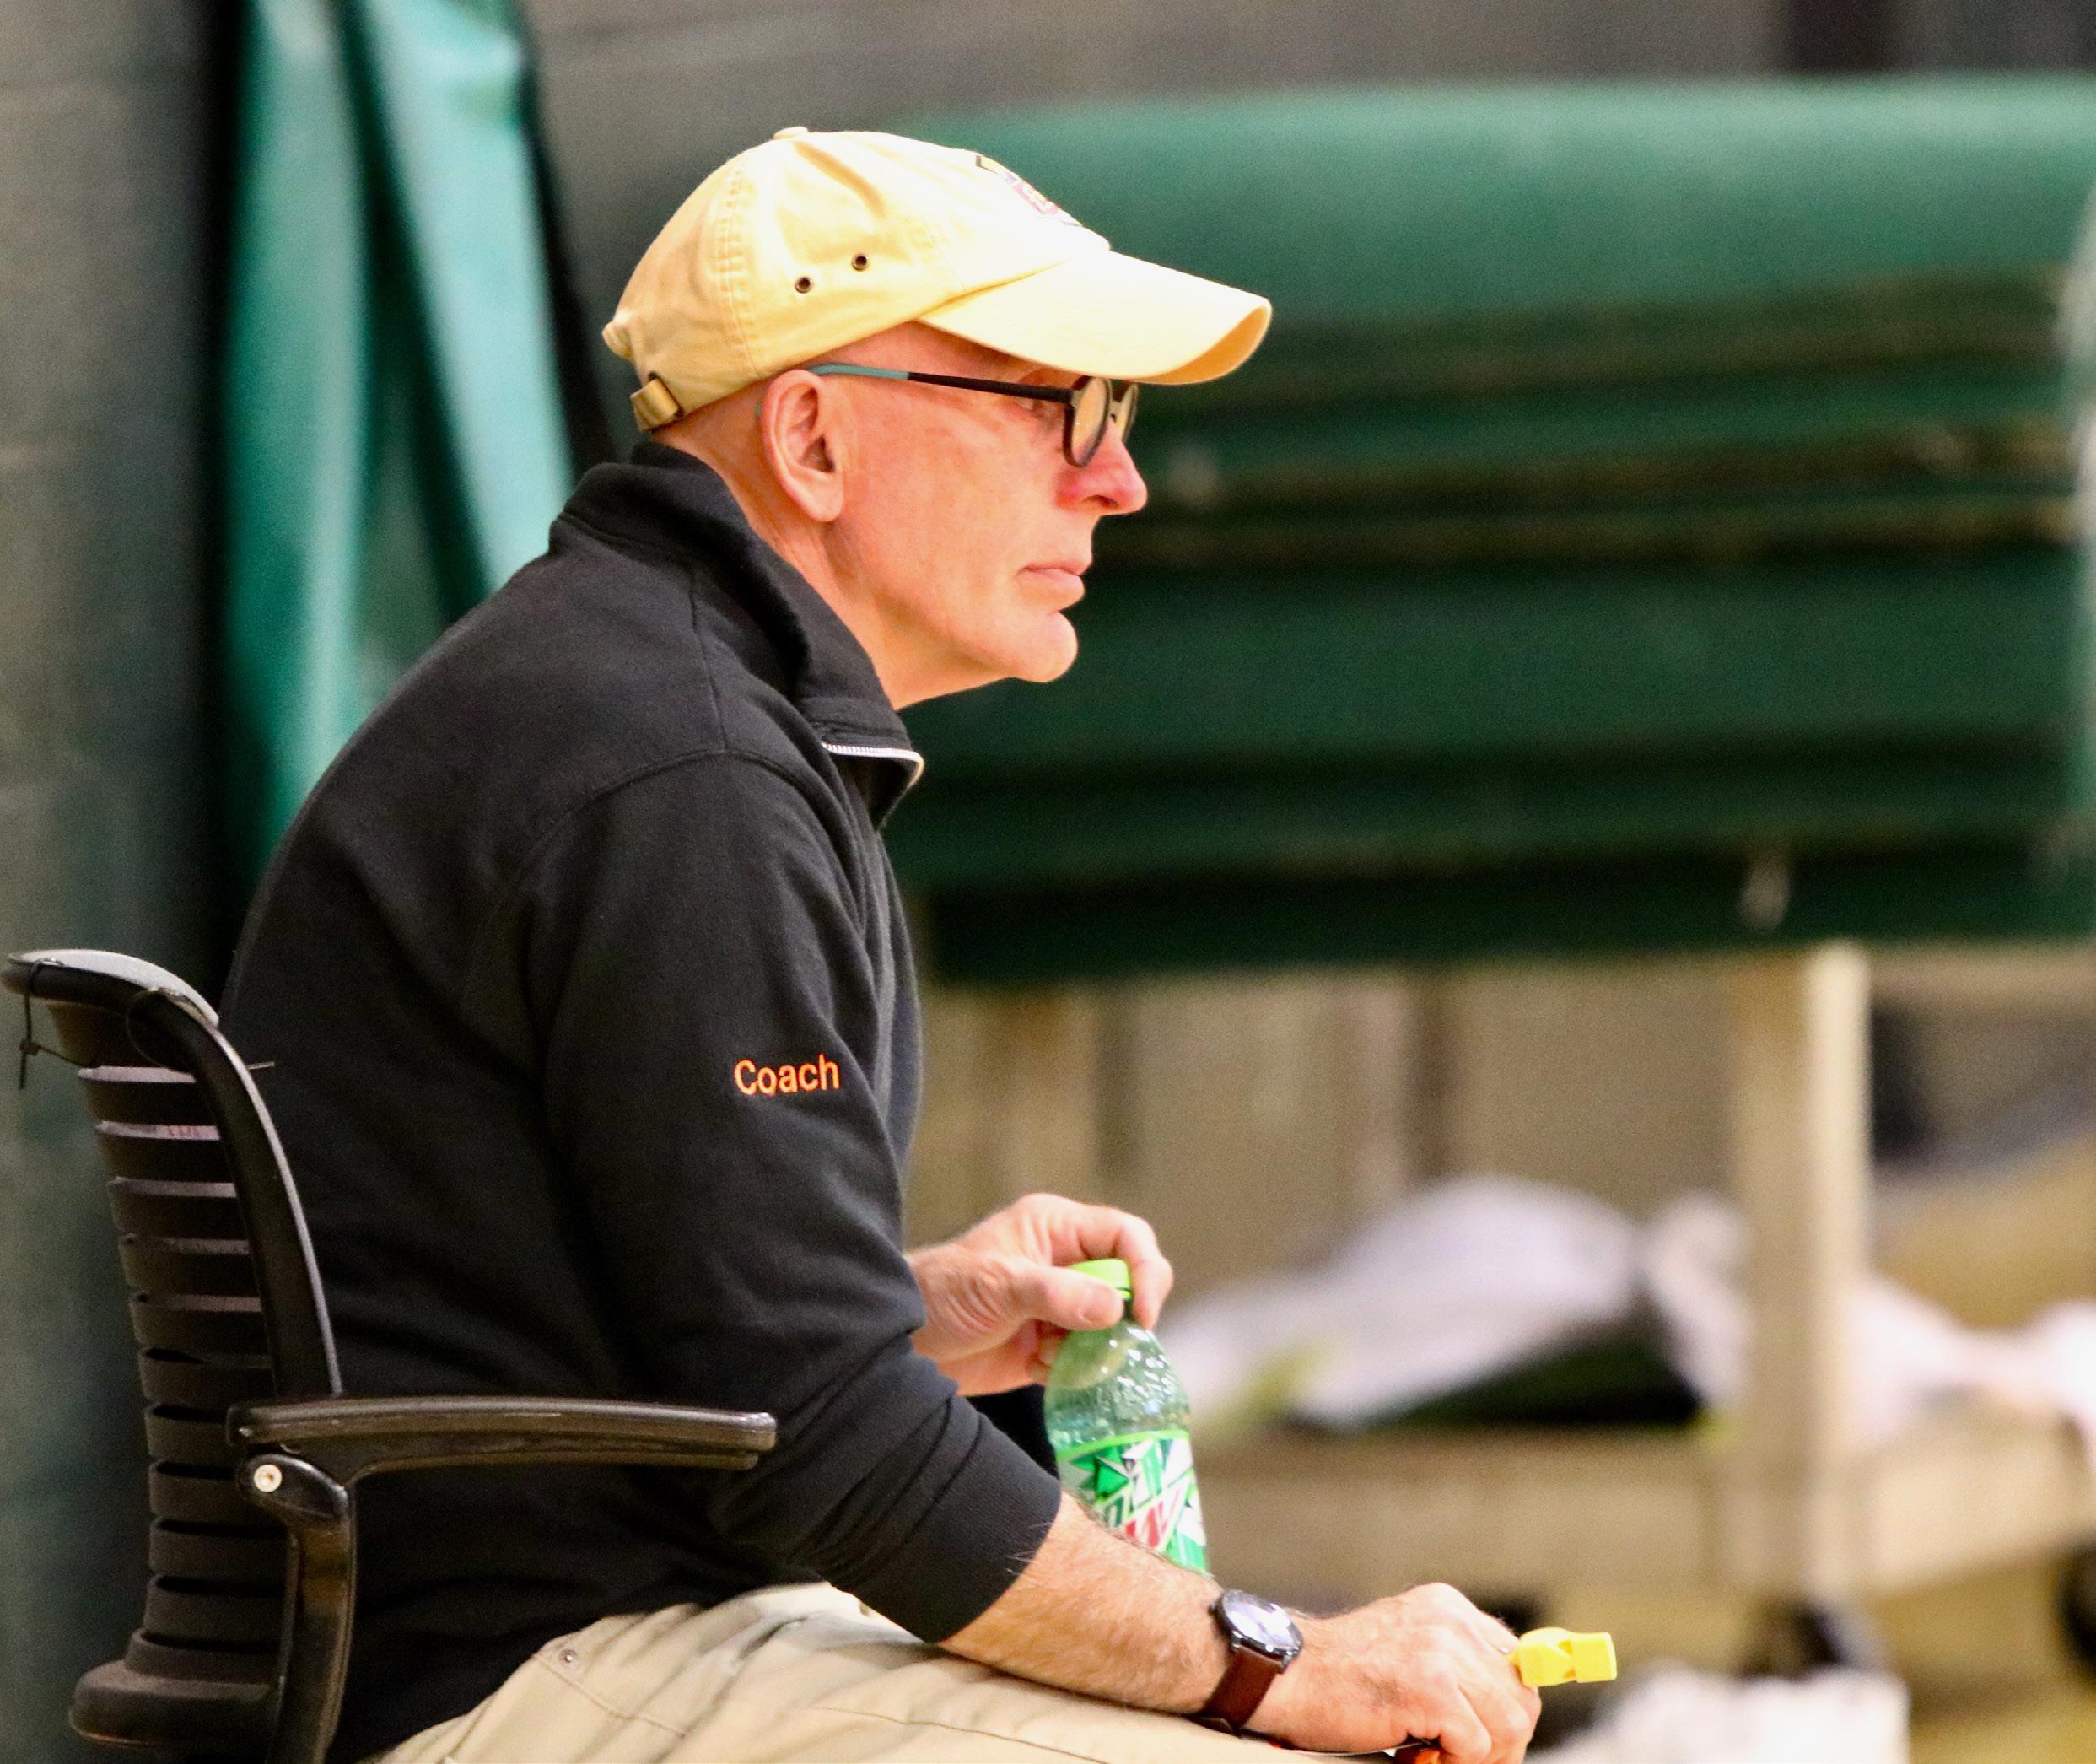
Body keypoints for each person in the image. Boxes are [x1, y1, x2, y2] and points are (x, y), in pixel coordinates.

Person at [222, 127, 1541, 1764]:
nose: (1115, 479)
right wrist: (1274, 1659)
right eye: (1053, 405)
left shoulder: (656, 694)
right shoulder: (681, 764)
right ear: (813, 436)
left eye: (1115, 416)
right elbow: (831, 1449)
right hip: (522, 1683)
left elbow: (679, 1354)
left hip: (575, 1633)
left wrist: (897, 1313)